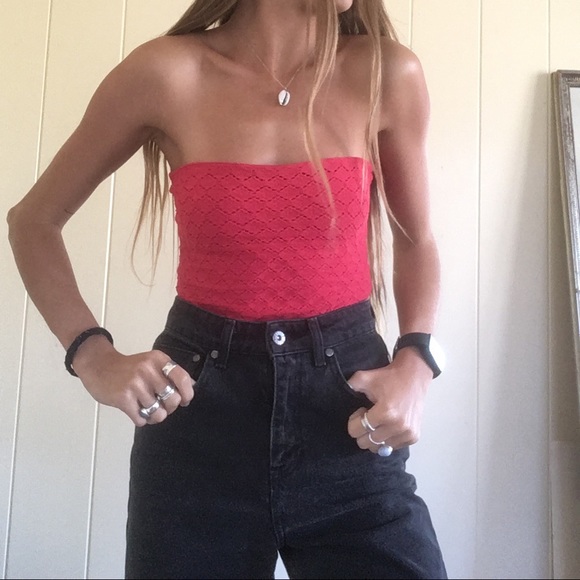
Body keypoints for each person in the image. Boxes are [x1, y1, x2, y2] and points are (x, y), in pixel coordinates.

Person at [7, 0, 447, 578]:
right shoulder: (166, 73)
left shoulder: (386, 73)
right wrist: (92, 356)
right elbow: (33, 222)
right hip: (198, 423)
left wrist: (416, 361)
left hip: (348, 421)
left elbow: (417, 241)